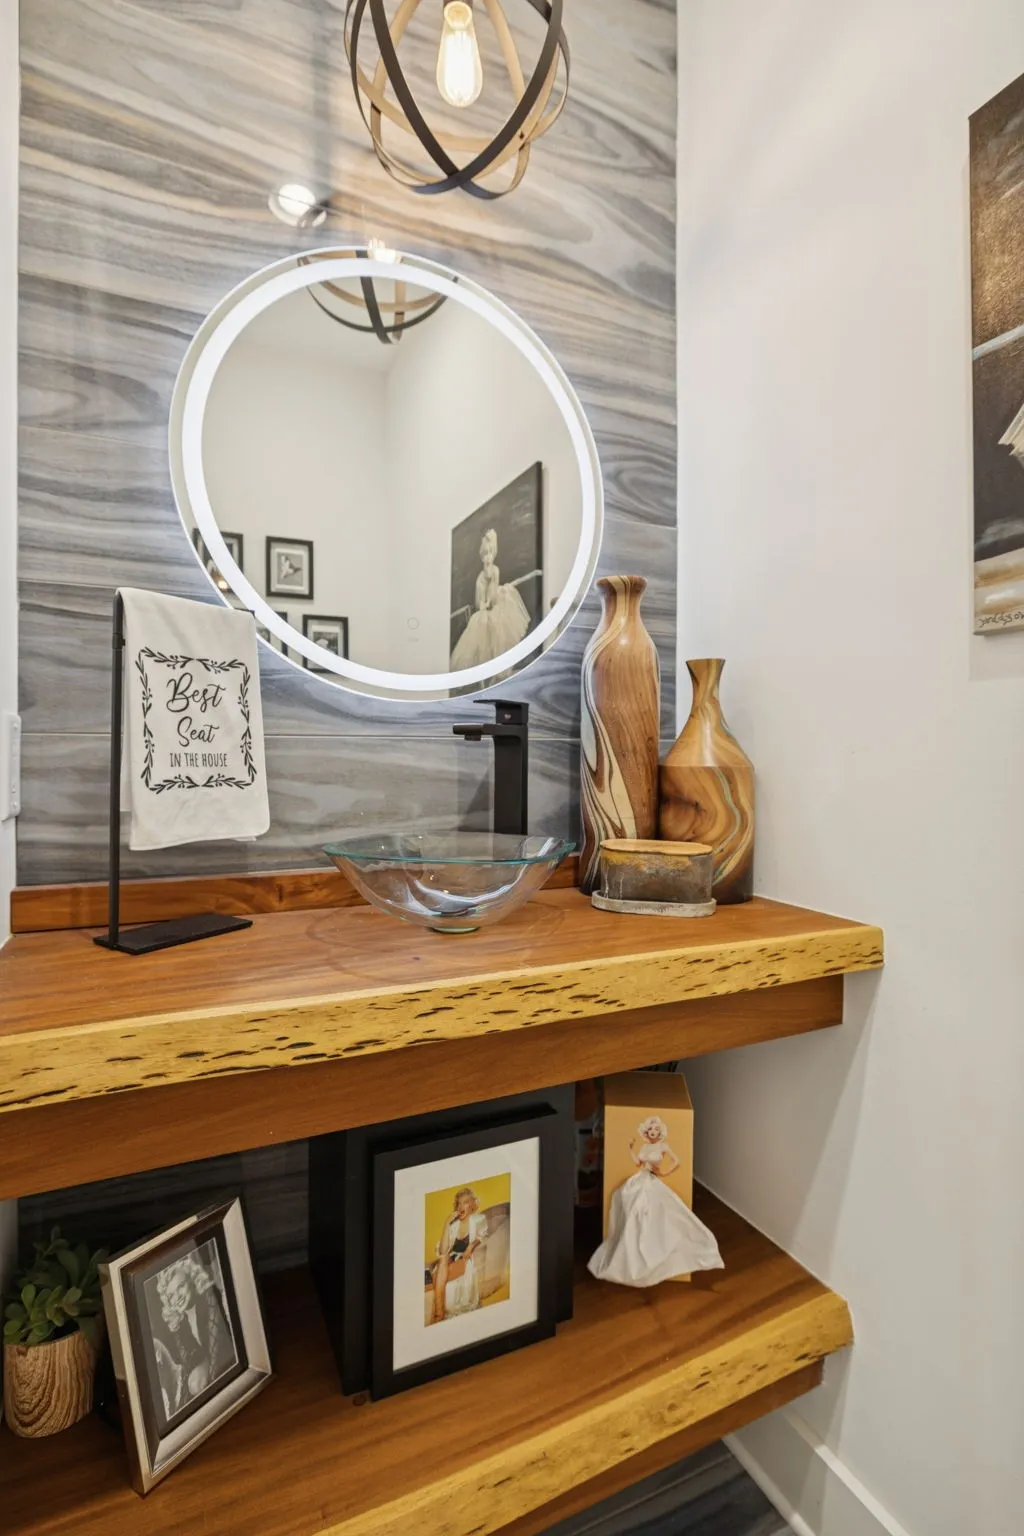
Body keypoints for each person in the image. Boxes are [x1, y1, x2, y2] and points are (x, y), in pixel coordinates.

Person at [588, 1116, 723, 1288]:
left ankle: (655, 1250)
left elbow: (676, 1161)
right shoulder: (644, 1147)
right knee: (632, 1208)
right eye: (651, 1129)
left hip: (652, 1181)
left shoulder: (663, 1146)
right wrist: (630, 1148)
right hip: (639, 1179)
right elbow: (637, 1162)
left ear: (660, 1132)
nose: (653, 1132)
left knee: (660, 1212)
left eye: (656, 1130)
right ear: (646, 1132)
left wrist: (664, 1172)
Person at [150, 1251, 235, 1419]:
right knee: (194, 1383)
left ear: (192, 1280)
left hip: (228, 1353)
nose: (177, 1297)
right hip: (209, 1361)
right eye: (171, 1295)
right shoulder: (179, 1321)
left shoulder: (208, 1300)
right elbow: (189, 1359)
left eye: (181, 1286)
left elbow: (217, 1350)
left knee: (202, 1382)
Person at [450, 528, 532, 668]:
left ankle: (508, 661)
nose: (488, 557)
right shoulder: (480, 578)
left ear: (494, 554)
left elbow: (493, 598)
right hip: (485, 610)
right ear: (482, 557)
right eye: (485, 554)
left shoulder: (495, 571)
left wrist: (491, 581)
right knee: (482, 623)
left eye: (490, 553)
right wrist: (484, 603)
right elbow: (479, 603)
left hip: (495, 604)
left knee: (500, 618)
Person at [430, 1187, 489, 1323]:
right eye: (459, 1203)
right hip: (449, 1261)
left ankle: (438, 1313)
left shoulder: (478, 1219)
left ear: (472, 1205)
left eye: (465, 1202)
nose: (461, 1206)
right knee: (442, 1261)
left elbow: (483, 1236)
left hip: (464, 1260)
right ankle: (439, 1312)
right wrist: (447, 1223)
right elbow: (443, 1251)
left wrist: (471, 1246)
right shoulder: (454, 1225)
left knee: (437, 1274)